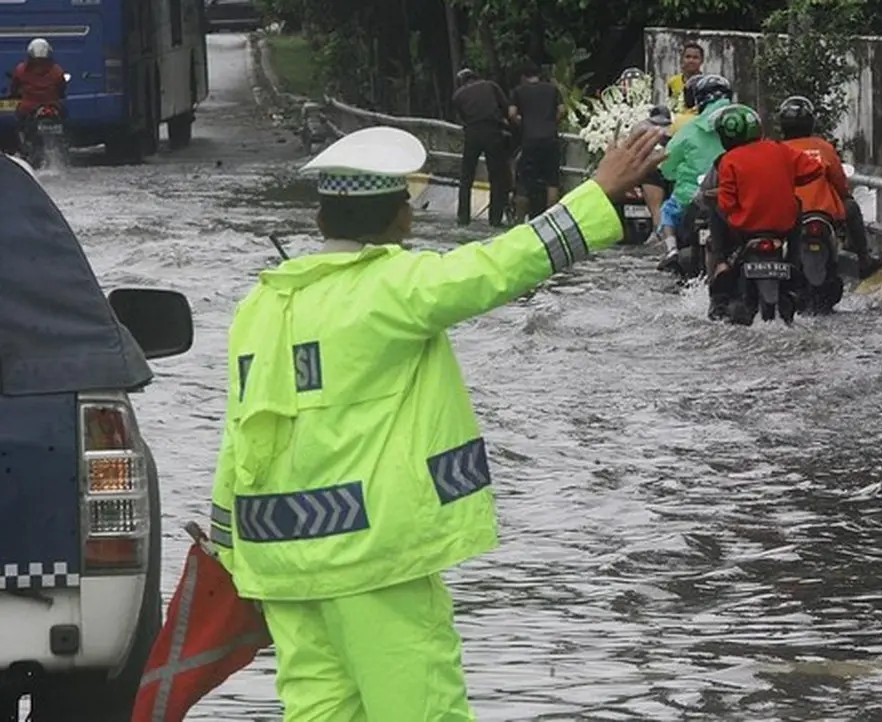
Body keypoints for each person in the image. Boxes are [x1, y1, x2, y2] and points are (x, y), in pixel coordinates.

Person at [206, 124, 666, 721]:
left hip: (278, 558)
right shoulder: (393, 287)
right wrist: (598, 191)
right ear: (404, 220)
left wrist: (225, 545)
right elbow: (504, 263)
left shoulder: (260, 305)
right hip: (367, 553)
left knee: (318, 711)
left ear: (320, 223)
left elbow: (238, 432)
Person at [707, 103, 826, 319]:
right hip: (783, 227)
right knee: (797, 203)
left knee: (715, 212)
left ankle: (722, 262)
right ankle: (793, 258)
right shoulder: (780, 149)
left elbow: (726, 203)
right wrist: (789, 177)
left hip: (745, 228)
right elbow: (814, 169)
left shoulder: (728, 161)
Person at [776, 95, 882, 278]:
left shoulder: (776, 151)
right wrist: (843, 195)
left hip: (788, 215)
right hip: (824, 213)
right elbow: (840, 182)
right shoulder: (823, 147)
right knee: (851, 206)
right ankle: (864, 259)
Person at [656, 73, 734, 271]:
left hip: (690, 197)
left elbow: (667, 164)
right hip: (732, 195)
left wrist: (672, 173)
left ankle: (671, 250)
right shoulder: (740, 122)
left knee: (668, 211)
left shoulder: (688, 129)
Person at [451, 68, 511, 227]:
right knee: (496, 177)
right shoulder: (491, 86)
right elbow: (505, 107)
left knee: (466, 177)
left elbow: (463, 117)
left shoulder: (458, 96)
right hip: (493, 131)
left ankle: (463, 218)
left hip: (472, 134)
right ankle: (495, 219)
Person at [508, 61, 565, 220]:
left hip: (530, 140)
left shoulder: (518, 91)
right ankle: (550, 221)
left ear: (523, 77)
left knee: (524, 183)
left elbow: (512, 114)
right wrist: (552, 123)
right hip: (550, 138)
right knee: (552, 181)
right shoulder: (552, 89)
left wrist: (524, 124)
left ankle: (519, 223)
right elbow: (562, 110)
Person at [8, 38, 67, 145]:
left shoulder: (21, 69)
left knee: (18, 121)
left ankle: (24, 143)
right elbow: (62, 88)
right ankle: (65, 141)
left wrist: (13, 95)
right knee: (64, 116)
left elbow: (14, 87)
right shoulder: (57, 70)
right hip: (53, 105)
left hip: (29, 107)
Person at [628, 104, 674, 237]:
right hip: (671, 171)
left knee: (656, 210)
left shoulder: (640, 127)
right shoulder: (673, 128)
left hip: (650, 172)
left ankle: (659, 235)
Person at [666, 42, 704, 113]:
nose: (691, 60)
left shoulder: (705, 83)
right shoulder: (673, 82)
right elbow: (671, 106)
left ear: (702, 61)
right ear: (682, 59)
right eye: (688, 57)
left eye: (695, 58)